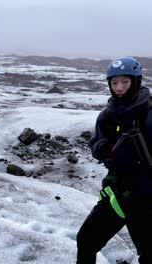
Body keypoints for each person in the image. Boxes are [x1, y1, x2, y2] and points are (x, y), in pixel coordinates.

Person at [76, 57, 152, 263]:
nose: (119, 88)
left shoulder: (149, 114)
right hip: (117, 193)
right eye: (114, 82)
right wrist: (99, 148)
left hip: (146, 197)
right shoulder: (106, 116)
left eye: (125, 82)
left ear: (136, 81)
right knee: (86, 240)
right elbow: (95, 143)